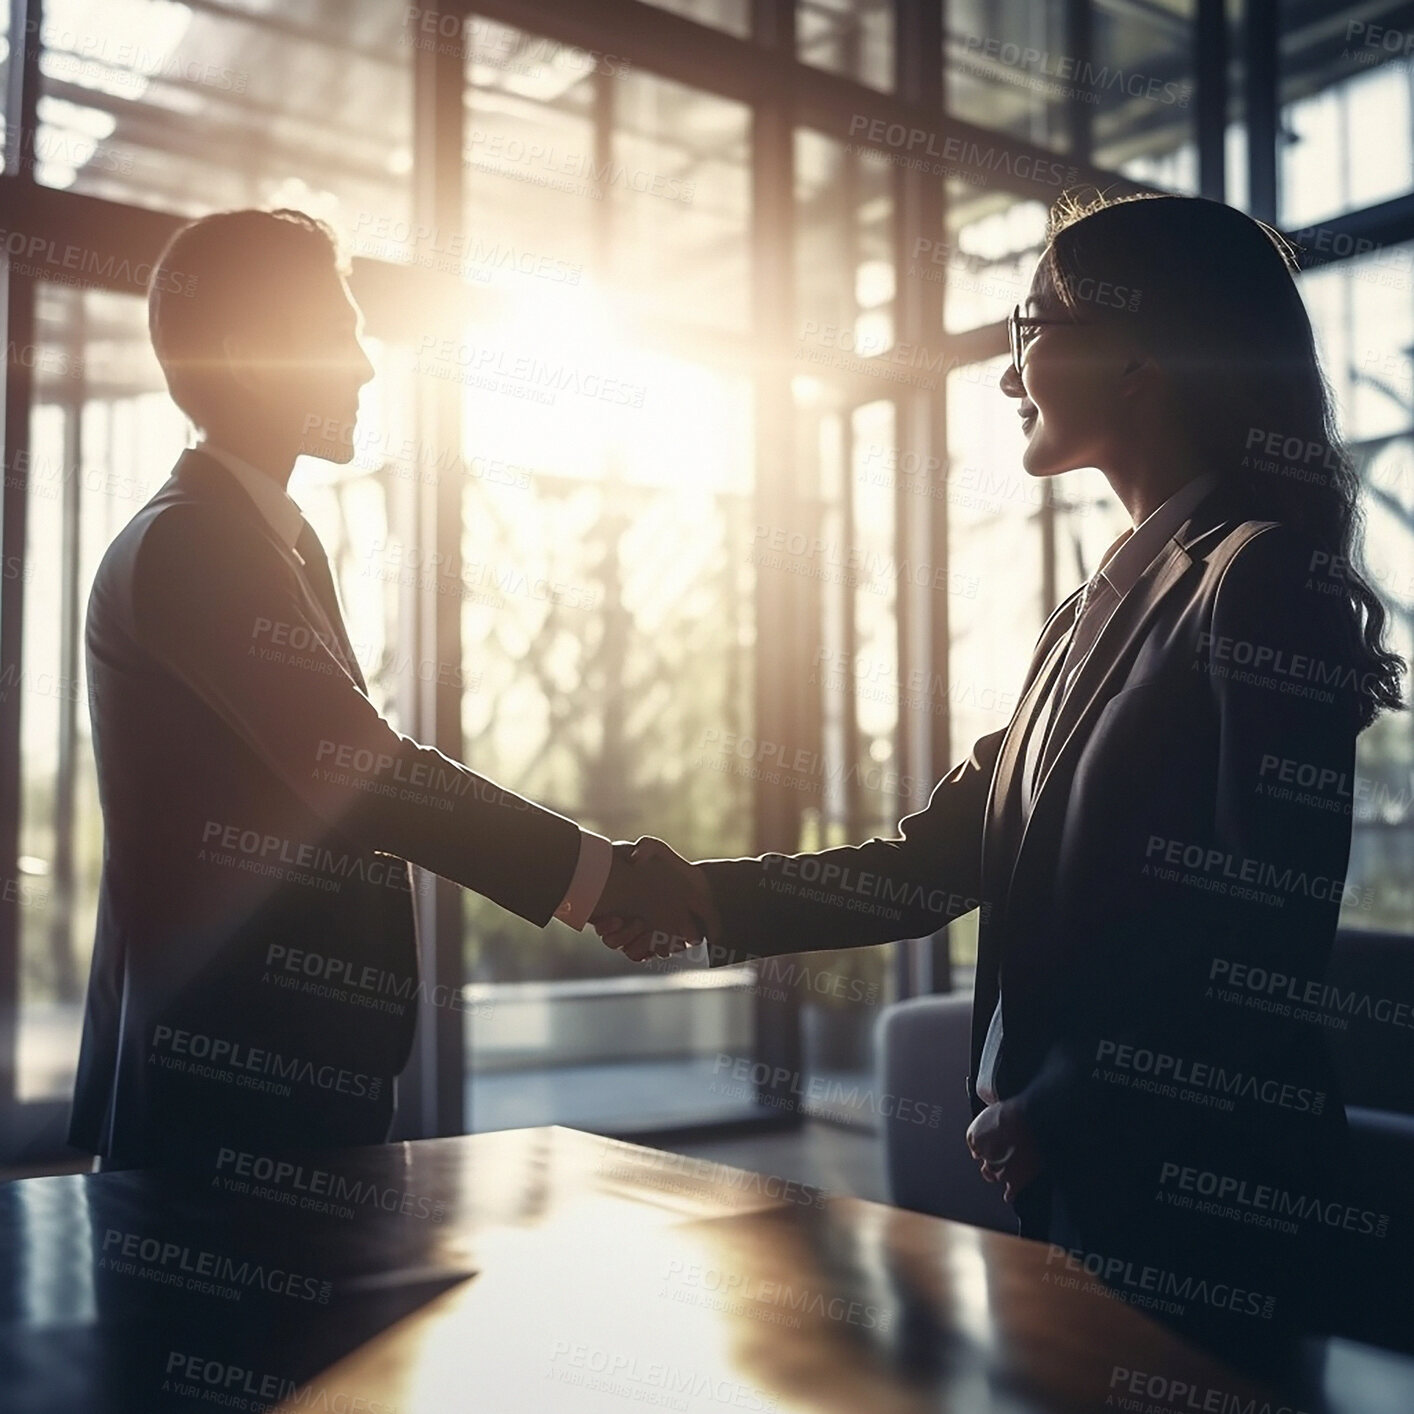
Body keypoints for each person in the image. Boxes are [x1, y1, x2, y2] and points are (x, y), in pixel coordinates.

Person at [596, 191, 1405, 1365]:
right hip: (1076, 1190)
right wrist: (705, 894)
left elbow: (1261, 937)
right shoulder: (1090, 610)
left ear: (1137, 354)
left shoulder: (1259, 578)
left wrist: (1066, 1107)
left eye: (1033, 322)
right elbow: (931, 863)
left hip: (1206, 1200)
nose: (1007, 372)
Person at [72, 209, 697, 1172]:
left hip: (284, 1087)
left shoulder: (269, 540)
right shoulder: (193, 544)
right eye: (335, 333)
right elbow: (364, 775)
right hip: (225, 1108)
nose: (364, 366)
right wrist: (601, 878)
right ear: (247, 356)